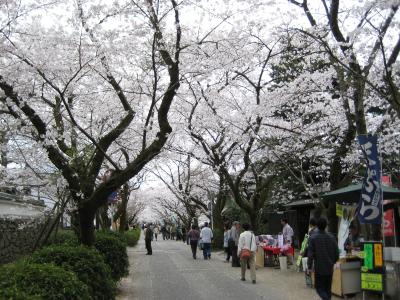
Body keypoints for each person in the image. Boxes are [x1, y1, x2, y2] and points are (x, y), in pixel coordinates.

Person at [307, 218, 339, 300]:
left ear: (317, 226)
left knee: (319, 288)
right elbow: (337, 253)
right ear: (326, 226)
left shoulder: (313, 238)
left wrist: (309, 267)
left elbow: (310, 255)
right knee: (328, 289)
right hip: (329, 267)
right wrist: (332, 261)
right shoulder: (332, 237)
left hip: (319, 268)